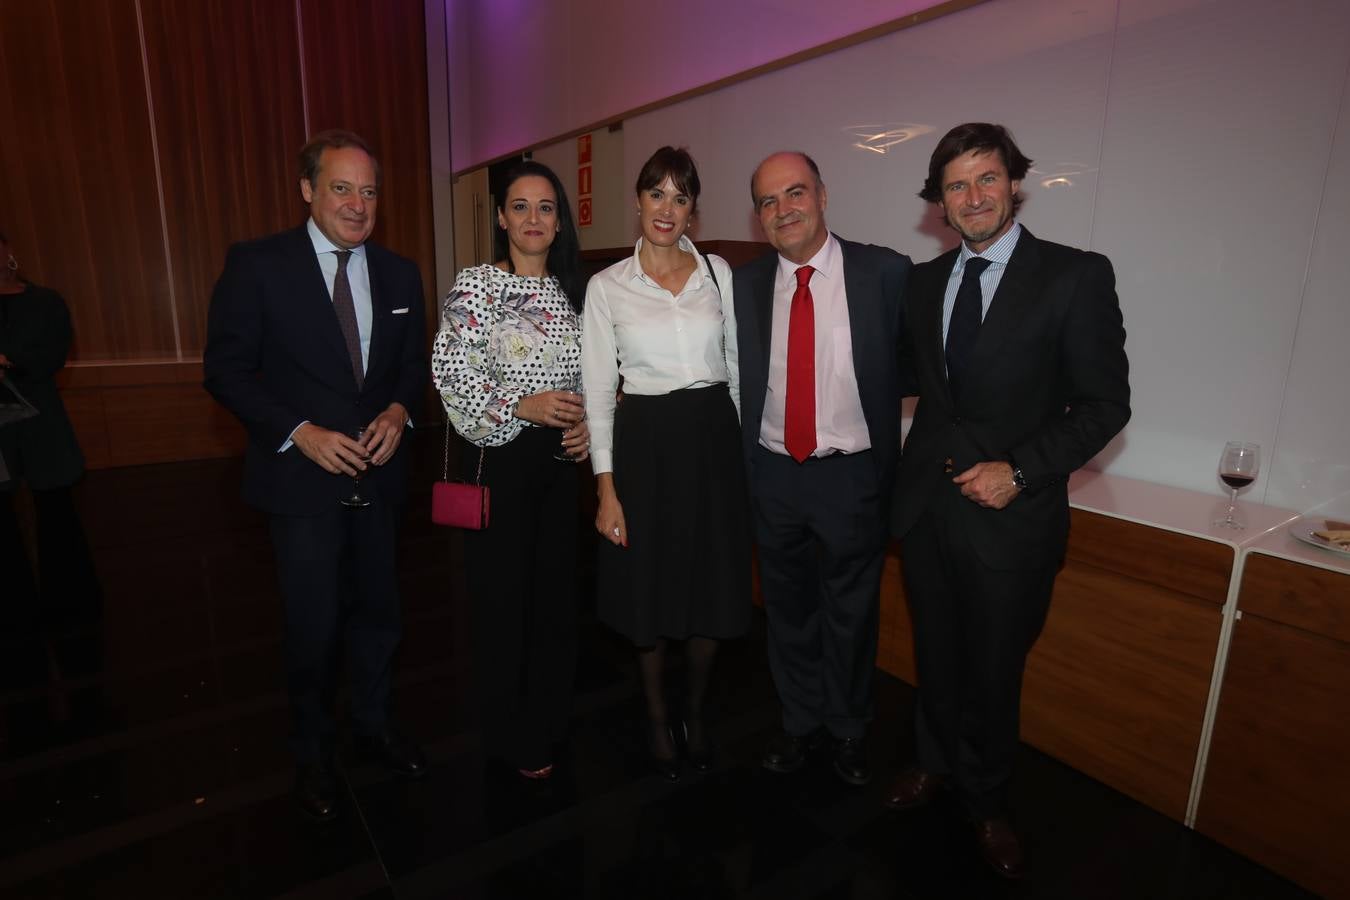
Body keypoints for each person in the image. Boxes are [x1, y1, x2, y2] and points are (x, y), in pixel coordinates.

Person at [886, 123, 1130, 879]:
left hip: (1012, 519)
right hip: (928, 509)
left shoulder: (1074, 276)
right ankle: (932, 763)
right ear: (941, 202)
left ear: (1014, 184)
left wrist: (1019, 471)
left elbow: (1104, 405)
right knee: (937, 653)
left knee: (994, 670)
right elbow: (907, 380)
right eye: (956, 185)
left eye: (986, 178)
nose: (973, 196)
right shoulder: (924, 283)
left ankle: (987, 801)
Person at [203, 130, 428, 822]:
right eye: (341, 187)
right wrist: (299, 433)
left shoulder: (399, 273)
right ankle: (312, 752)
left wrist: (397, 410)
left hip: (381, 480)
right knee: (313, 625)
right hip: (301, 486)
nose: (358, 204)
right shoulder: (257, 265)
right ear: (307, 189)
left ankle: (373, 725)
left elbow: (413, 369)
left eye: (369, 190)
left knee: (381, 615)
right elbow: (226, 370)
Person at [734, 152, 910, 786]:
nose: (783, 210)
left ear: (823, 194)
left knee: (852, 611)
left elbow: (917, 369)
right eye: (768, 201)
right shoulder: (743, 286)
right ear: (758, 216)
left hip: (851, 475)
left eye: (795, 193)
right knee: (786, 610)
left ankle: (849, 728)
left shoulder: (885, 272)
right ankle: (799, 720)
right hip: (774, 473)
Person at [582, 146, 750, 782]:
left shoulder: (718, 273)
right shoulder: (607, 288)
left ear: (692, 211)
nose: (668, 208)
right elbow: (600, 391)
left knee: (712, 583)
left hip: (712, 439)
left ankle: (696, 714)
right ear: (639, 200)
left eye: (681, 198)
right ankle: (657, 717)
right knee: (648, 586)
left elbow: (734, 368)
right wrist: (606, 488)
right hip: (644, 445)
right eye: (658, 193)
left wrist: (736, 454)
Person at [431, 159, 589, 781]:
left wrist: (585, 427)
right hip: (496, 457)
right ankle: (508, 728)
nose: (533, 218)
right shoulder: (475, 287)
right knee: (503, 603)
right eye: (520, 206)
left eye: (545, 207)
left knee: (553, 599)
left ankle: (549, 722)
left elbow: (593, 379)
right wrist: (520, 404)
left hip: (558, 466)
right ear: (501, 217)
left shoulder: (574, 291)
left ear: (558, 222)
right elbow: (451, 372)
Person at [0, 228, 101, 688]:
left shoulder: (44, 303)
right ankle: (15, 608)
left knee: (56, 509)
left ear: (10, 255)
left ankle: (70, 604)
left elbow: (50, 355)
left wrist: (8, 360)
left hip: (39, 422)